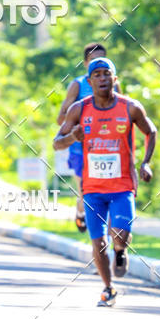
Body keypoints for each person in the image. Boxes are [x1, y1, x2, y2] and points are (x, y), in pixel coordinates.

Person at [54, 56, 156, 307]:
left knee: (120, 235)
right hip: (92, 189)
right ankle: (108, 288)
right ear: (89, 81)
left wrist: (145, 162)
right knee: (98, 242)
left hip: (122, 185)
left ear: (115, 79)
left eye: (106, 73)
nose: (102, 78)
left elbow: (150, 131)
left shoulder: (130, 107)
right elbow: (57, 142)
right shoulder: (79, 109)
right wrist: (72, 138)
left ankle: (120, 250)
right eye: (96, 74)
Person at [57, 43, 120, 233]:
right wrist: (77, 126)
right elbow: (61, 118)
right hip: (81, 149)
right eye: (93, 61)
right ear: (85, 63)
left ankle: (108, 235)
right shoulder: (77, 85)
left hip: (107, 148)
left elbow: (123, 111)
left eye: (103, 61)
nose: (98, 66)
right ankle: (81, 213)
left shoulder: (114, 84)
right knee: (85, 191)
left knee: (109, 191)